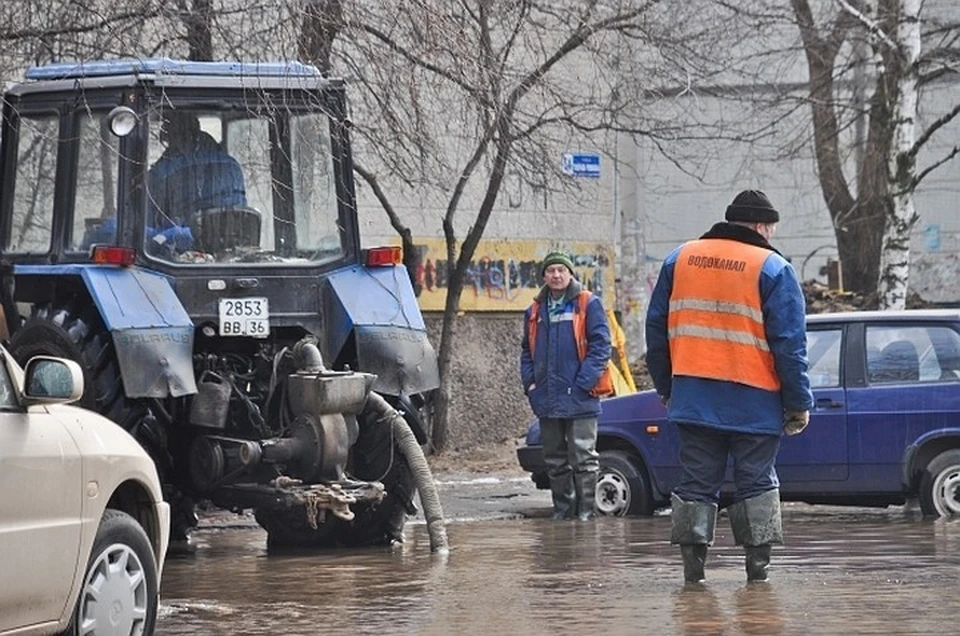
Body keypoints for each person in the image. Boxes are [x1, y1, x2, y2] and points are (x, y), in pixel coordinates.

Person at [645, 190, 814, 583]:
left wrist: (668, 387)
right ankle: (758, 580)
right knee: (756, 485)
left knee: (695, 487)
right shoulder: (773, 267)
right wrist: (797, 402)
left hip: (693, 398)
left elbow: (656, 330)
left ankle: (693, 578)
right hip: (754, 403)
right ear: (760, 226)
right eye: (770, 228)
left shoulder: (679, 259)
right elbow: (790, 344)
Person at [521, 250, 612, 520]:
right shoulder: (534, 310)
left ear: (571, 274)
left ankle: (586, 513)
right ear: (544, 276)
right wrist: (531, 385)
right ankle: (563, 513)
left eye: (561, 270)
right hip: (547, 397)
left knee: (584, 458)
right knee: (555, 461)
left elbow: (601, 346)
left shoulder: (587, 304)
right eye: (551, 271)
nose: (556, 275)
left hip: (581, 396)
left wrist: (583, 382)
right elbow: (526, 351)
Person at [146, 111, 247, 250]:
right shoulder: (232, 165)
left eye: (167, 140)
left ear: (171, 137)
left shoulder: (161, 173)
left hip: (183, 255)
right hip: (232, 249)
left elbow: (147, 225)